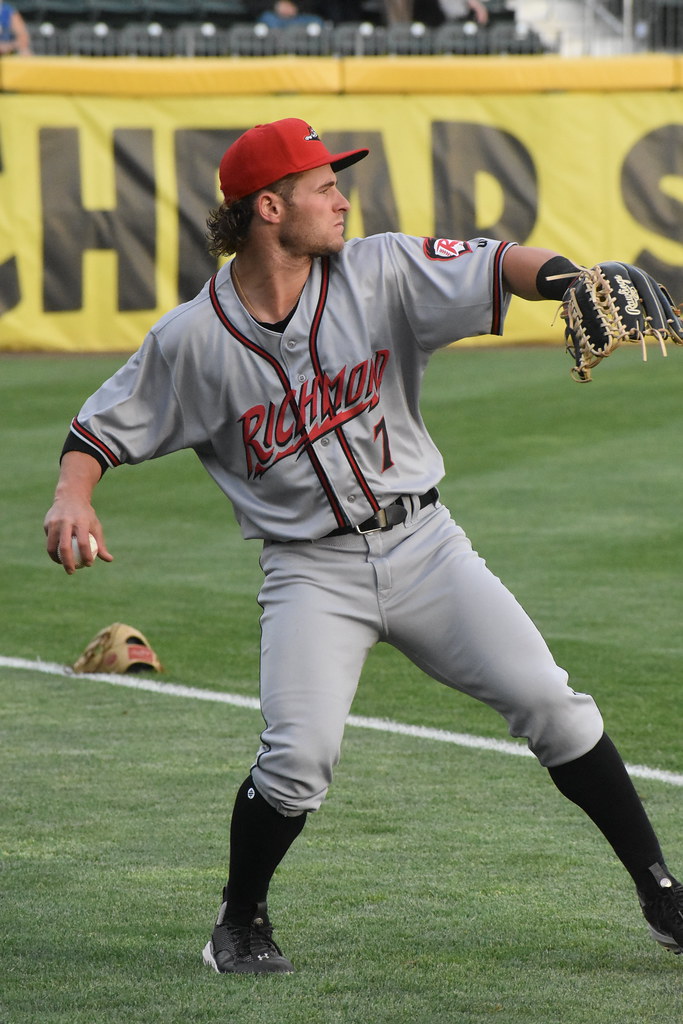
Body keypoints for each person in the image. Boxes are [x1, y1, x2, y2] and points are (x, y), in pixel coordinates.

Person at [44, 117, 683, 975]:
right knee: (298, 757)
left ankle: (660, 894)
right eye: (321, 185)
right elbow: (97, 429)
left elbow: (499, 263)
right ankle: (238, 921)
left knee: (552, 704)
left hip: (426, 545)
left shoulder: (379, 269)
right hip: (311, 572)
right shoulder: (190, 341)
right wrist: (71, 497)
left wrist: (571, 278)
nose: (341, 197)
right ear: (268, 208)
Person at [257, 1, 324, 29]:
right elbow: (254, 5)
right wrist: (276, 5)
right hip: (275, 17)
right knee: (266, 17)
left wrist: (295, 8)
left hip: (298, 18)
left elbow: (314, 5)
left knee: (317, 21)